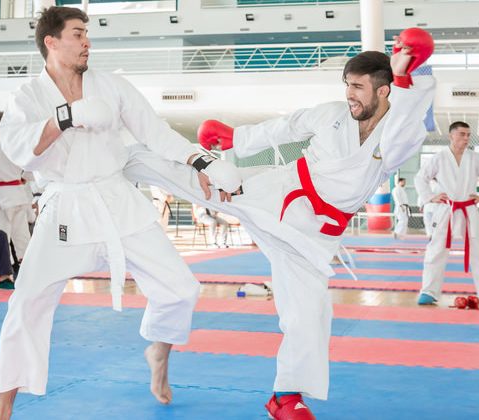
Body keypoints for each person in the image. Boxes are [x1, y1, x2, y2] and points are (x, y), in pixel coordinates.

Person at [123, 30, 436, 419]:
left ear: (384, 91)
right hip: (279, 194)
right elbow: (285, 127)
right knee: (204, 183)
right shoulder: (332, 115)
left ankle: (285, 397)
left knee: (311, 311)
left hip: (313, 237)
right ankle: (125, 157)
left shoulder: (396, 135)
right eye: (346, 86)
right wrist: (235, 136)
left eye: (357, 87)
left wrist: (407, 74)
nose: (349, 95)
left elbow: (407, 127)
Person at [0, 7, 241, 419]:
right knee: (27, 302)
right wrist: (65, 117)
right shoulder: (27, 97)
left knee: (181, 289)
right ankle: (3, 404)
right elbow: (20, 151)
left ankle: (158, 351)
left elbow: (155, 133)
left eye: (88, 33)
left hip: (117, 200)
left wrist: (201, 161)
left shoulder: (111, 85)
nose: (88, 41)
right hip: (65, 208)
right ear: (51, 42)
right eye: (78, 34)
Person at [414, 121, 479, 307]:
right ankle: (428, 291)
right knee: (436, 250)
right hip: (446, 209)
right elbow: (420, 177)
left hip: (469, 209)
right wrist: (430, 196)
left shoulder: (475, 158)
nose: (466, 138)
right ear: (451, 136)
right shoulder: (439, 158)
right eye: (462, 134)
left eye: (468, 135)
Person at [0, 111, 33, 268]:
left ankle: (6, 275)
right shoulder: (17, 143)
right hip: (20, 193)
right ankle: (27, 272)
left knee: (3, 235)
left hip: (2, 195)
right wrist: (19, 177)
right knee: (22, 236)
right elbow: (29, 171)